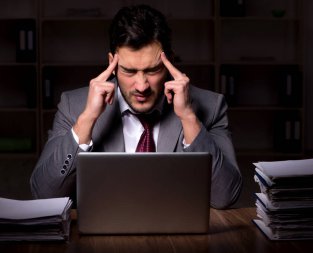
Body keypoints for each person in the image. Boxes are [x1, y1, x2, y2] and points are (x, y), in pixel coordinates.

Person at [30, 4, 242, 209]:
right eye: (129, 71)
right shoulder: (74, 106)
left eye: (153, 70)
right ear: (112, 63)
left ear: (170, 61)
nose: (142, 86)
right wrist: (87, 120)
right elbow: (44, 194)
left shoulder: (211, 106)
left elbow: (225, 196)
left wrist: (188, 117)